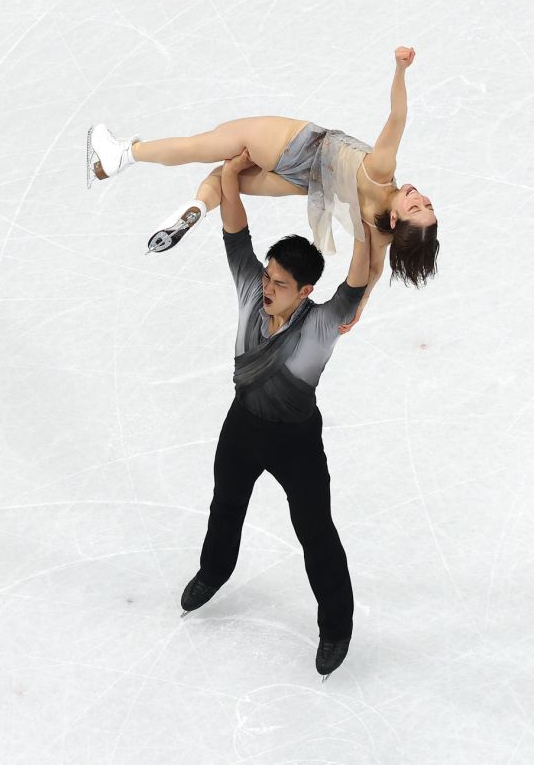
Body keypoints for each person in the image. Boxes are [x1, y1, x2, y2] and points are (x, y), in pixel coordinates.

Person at [178, 148, 370, 679]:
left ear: (306, 291)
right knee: (225, 505)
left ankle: (336, 627)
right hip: (242, 426)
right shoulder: (250, 289)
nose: (266, 288)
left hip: (296, 442)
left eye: (280, 284)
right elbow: (235, 233)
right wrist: (231, 175)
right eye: (267, 277)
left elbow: (357, 280)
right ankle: (214, 571)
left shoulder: (323, 323)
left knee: (315, 532)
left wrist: (363, 222)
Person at [86, 46, 438, 332]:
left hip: (294, 144)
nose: (420, 198)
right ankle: (199, 206)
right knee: (224, 179)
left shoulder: (381, 172)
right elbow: (372, 272)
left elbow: (397, 116)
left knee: (201, 145)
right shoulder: (381, 232)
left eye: (415, 207)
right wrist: (359, 307)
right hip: (302, 183)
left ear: (396, 219)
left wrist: (400, 70)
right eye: (427, 205)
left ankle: (124, 154)